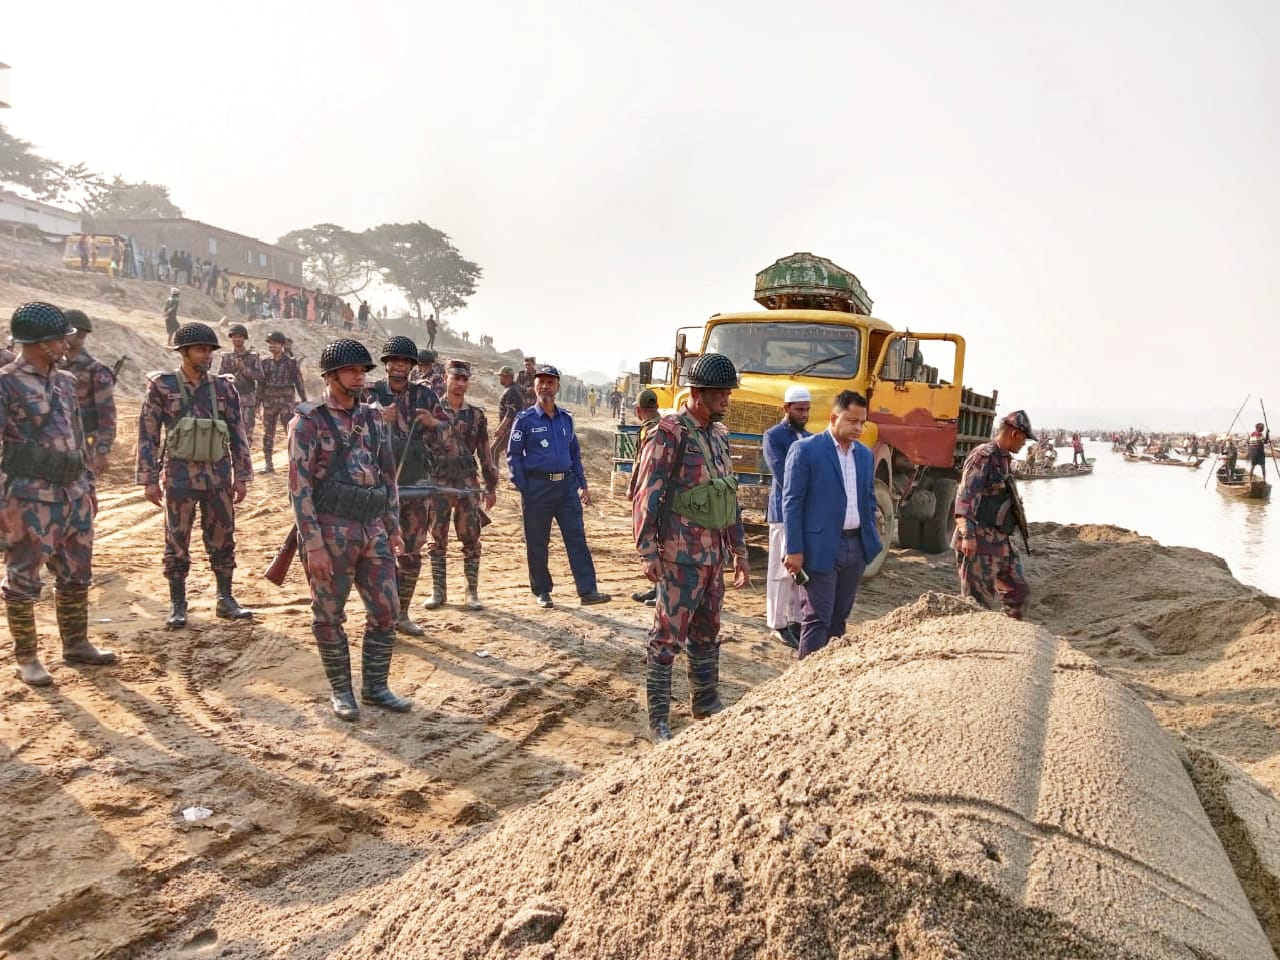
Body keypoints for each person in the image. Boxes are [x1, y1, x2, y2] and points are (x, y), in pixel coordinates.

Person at [288, 339, 410, 721]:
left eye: (363, 371)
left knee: (387, 610)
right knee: (329, 614)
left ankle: (375, 687)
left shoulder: (373, 418)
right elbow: (299, 489)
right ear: (331, 375)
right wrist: (314, 546)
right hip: (330, 530)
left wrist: (392, 526)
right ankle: (342, 691)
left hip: (372, 528)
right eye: (353, 371)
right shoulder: (308, 421)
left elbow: (387, 476)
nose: (361, 378)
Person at [632, 353, 750, 742]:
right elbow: (647, 494)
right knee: (667, 636)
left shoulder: (719, 435)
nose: (726, 400)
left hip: (713, 555)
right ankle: (659, 722)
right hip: (680, 554)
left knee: (708, 632)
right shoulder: (669, 433)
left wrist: (740, 552)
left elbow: (728, 497)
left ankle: (706, 703)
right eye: (720, 393)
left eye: (728, 392)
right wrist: (648, 551)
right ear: (697, 394)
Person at [0, 303, 117, 685]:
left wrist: (88, 486)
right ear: (35, 342)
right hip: (29, 496)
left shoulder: (66, 381)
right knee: (23, 579)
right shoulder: (7, 382)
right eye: (57, 338)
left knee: (77, 573)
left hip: (72, 492)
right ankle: (28, 658)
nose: (65, 343)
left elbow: (78, 437)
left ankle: (76, 643)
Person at [136, 322, 254, 629]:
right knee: (177, 540)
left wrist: (242, 476)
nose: (207, 355)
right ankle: (178, 604)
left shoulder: (224, 388)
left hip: (218, 477)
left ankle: (225, 599)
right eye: (201, 350)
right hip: (179, 478)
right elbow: (148, 435)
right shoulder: (163, 386)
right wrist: (148, 478)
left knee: (223, 539)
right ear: (184, 352)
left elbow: (238, 433)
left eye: (210, 350)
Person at [782, 391, 882, 659]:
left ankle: (831, 680)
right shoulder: (806, 450)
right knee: (817, 619)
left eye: (862, 422)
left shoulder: (863, 455)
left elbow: (868, 499)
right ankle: (805, 684)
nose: (858, 428)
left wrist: (869, 535)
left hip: (855, 547)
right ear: (834, 417)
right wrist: (794, 549)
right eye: (852, 421)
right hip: (820, 547)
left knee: (839, 619)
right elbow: (792, 502)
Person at [507, 364, 611, 609]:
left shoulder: (567, 419)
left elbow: (574, 455)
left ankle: (588, 591)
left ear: (557, 387)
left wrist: (582, 485)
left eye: (550, 382)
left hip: (566, 488)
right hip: (537, 490)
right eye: (541, 381)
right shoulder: (524, 420)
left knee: (577, 539)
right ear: (534, 386)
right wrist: (524, 486)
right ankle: (542, 591)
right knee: (537, 542)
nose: (545, 386)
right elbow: (513, 455)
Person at [364, 335, 445, 635]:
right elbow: (342, 432)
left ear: (412, 366)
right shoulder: (367, 393)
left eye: (405, 361)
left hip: (414, 486)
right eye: (394, 360)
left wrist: (434, 425)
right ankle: (381, 616)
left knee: (411, 554)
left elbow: (448, 438)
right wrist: (374, 417)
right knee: (374, 556)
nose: (399, 366)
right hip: (373, 489)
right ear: (385, 364)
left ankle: (402, 614)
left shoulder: (426, 397)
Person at [422, 360, 499, 611]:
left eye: (464, 380)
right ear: (445, 378)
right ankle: (438, 593)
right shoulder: (432, 412)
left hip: (467, 483)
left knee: (471, 538)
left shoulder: (476, 415)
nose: (460, 384)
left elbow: (486, 452)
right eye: (456, 378)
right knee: (437, 538)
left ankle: (471, 593)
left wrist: (491, 485)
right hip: (439, 482)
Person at [954, 409, 1034, 620]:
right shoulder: (984, 456)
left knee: (1019, 593)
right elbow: (965, 497)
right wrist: (967, 535)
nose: (1024, 444)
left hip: (1000, 540)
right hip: (978, 540)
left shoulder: (1004, 459)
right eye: (1024, 439)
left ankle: (1008, 634)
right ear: (1015, 434)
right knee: (977, 605)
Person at [762, 385, 812, 648]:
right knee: (780, 570)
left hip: (804, 513)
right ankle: (777, 624)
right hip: (783, 512)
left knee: (797, 570)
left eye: (807, 409)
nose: (804, 414)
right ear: (786, 408)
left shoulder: (810, 437)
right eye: (799, 409)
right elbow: (783, 475)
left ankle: (794, 620)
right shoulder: (773, 436)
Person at [60, 310, 118, 478]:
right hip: (55, 441)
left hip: (85, 442)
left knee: (83, 488)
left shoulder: (96, 371)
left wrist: (101, 451)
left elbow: (107, 415)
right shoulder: (52, 365)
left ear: (80, 335)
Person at [626, 389, 664, 607]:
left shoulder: (649, 430)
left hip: (650, 492)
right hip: (659, 492)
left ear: (638, 410)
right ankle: (656, 589)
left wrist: (633, 488)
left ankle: (661, 592)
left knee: (657, 543)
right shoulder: (663, 426)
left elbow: (640, 463)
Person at [259, 330, 306, 474]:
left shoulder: (291, 363)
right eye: (270, 344)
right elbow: (261, 384)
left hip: (286, 402)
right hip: (269, 403)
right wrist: (257, 403)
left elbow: (299, 383)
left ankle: (294, 463)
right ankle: (268, 464)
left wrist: (304, 400)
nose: (272, 346)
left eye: (275, 343)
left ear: (282, 345)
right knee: (268, 433)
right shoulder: (265, 363)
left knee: (290, 433)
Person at [218, 324, 264, 446]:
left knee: (247, 434)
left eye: (240, 337)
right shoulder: (226, 357)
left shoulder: (253, 357)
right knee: (228, 432)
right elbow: (221, 378)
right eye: (235, 336)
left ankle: (246, 460)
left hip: (248, 400)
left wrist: (244, 369)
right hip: (230, 400)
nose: (237, 339)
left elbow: (260, 377)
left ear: (244, 338)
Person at [489, 365, 525, 462]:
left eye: (501, 376)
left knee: (493, 450)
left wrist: (501, 428)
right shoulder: (513, 388)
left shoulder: (511, 390)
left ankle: (493, 476)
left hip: (509, 428)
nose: (499, 378)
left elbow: (511, 412)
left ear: (507, 377)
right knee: (509, 453)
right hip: (512, 427)